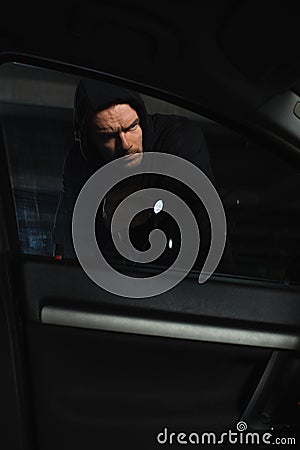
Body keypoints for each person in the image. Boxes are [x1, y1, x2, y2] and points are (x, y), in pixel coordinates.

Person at [52, 77, 232, 274]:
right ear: (90, 141)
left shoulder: (178, 139)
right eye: (107, 136)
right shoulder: (79, 163)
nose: (125, 144)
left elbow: (204, 230)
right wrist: (103, 220)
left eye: (131, 127)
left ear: (142, 119)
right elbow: (75, 245)